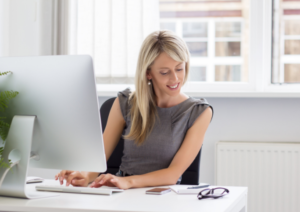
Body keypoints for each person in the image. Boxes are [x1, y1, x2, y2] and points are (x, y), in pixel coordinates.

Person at [55, 30, 213, 189]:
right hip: (122, 192)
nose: (175, 78)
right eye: (165, 72)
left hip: (163, 196)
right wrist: (84, 175)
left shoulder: (198, 112)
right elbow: (100, 159)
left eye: (180, 69)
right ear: (148, 73)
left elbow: (173, 174)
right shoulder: (125, 103)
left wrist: (129, 182)